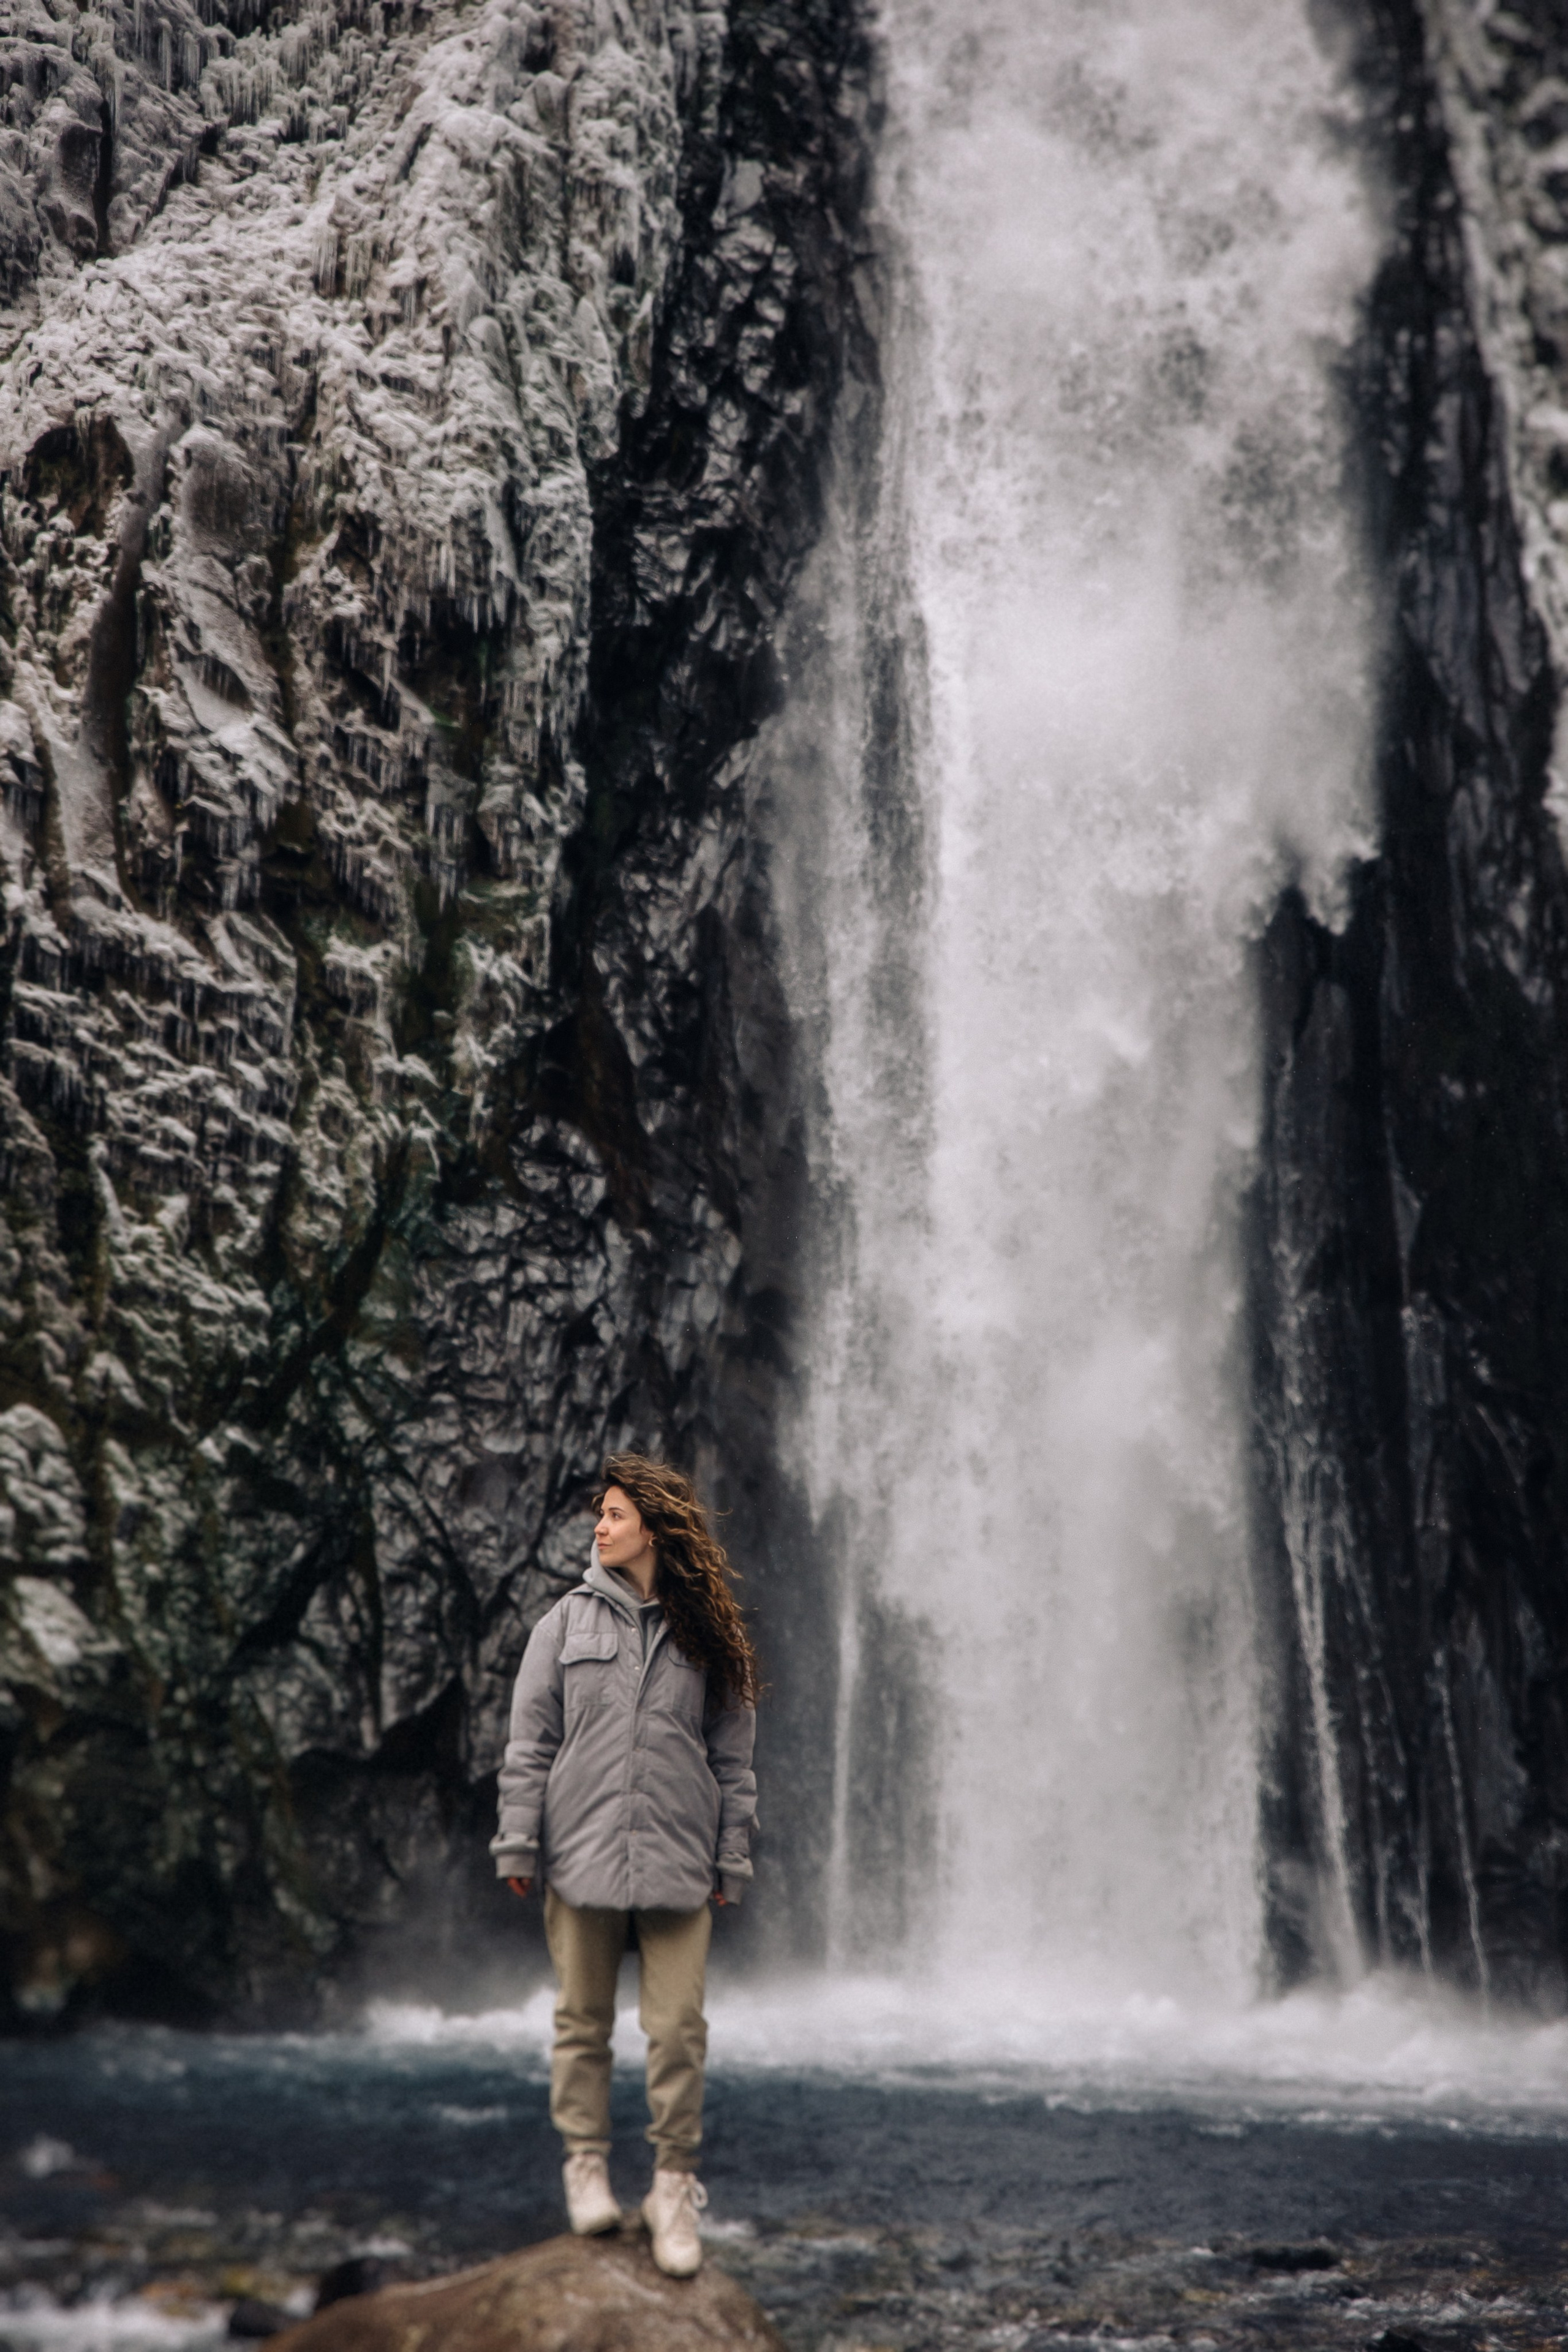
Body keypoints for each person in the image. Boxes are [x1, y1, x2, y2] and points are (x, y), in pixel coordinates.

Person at [491, 1452, 760, 2278]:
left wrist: (733, 1855)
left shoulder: (710, 1633)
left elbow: (734, 1761)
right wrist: (518, 1842)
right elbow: (529, 1744)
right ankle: (586, 2166)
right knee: (582, 2024)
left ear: (654, 1524)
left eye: (612, 1513)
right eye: (598, 1515)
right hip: (581, 1854)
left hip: (681, 1860)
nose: (598, 1526)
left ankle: (673, 2187)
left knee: (678, 2031)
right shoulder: (563, 1625)